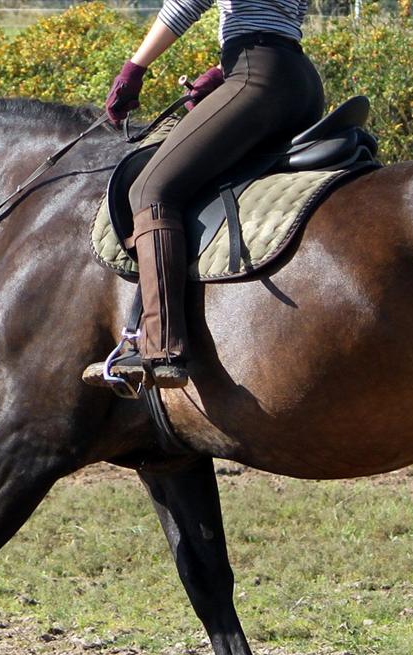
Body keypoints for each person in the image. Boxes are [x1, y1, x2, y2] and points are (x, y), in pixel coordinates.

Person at [84, 0, 325, 389]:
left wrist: (135, 69)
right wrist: (225, 72)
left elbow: (187, 4)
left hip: (257, 73)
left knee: (151, 189)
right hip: (299, 80)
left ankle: (160, 346)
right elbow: (281, 16)